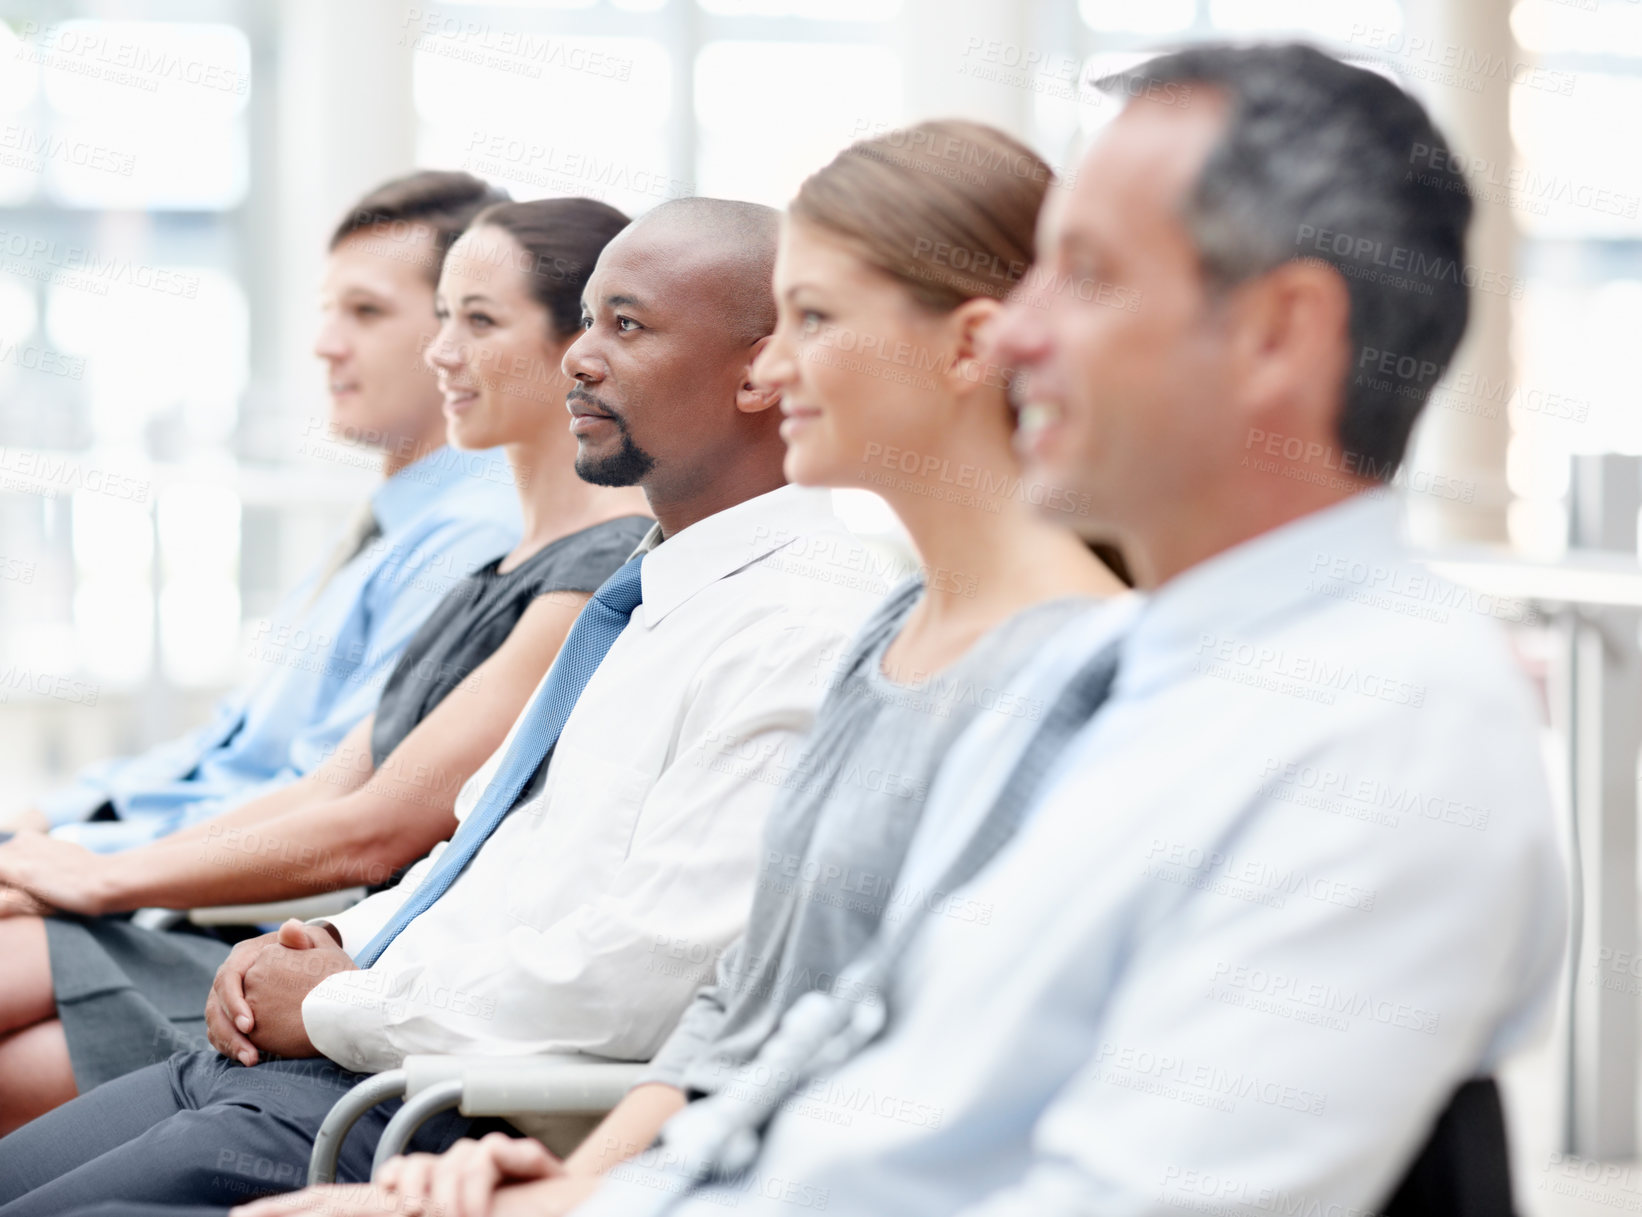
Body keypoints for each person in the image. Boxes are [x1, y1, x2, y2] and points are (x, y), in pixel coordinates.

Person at [362, 43, 1561, 1217]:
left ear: (1278, 335)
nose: (1017, 336)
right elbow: (862, 1052)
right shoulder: (1118, 672)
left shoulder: (1385, 734)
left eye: (1084, 276)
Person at [312, 119, 1133, 1217]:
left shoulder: (1062, 670)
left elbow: (935, 1103)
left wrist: (579, 1199)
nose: (772, 365)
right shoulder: (891, 632)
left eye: (814, 319)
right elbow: (753, 1008)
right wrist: (581, 1179)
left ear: (969, 346)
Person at [0, 196, 884, 1213]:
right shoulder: (653, 592)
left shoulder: (794, 627)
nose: (580, 360)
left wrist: (333, 998)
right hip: (321, 1057)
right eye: (587, 320)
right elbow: (475, 863)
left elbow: (634, 976)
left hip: (411, 1111)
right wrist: (321, 947)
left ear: (759, 368)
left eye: (625, 326)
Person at [0, 196, 653, 1132]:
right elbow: (328, 782)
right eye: (440, 319)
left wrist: (104, 877)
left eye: (478, 321)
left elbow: (375, 831)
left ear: (574, 350)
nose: (443, 353)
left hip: (349, 960)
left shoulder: (591, 574)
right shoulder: (491, 564)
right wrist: (95, 864)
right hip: (293, 939)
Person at [0, 170, 520, 859]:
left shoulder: (475, 538)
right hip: (164, 854)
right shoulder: (395, 517)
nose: (325, 343)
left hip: (228, 897)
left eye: (366, 311)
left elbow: (327, 803)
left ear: (470, 327)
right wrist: (50, 821)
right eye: (329, 309)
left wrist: (91, 858)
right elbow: (227, 748)